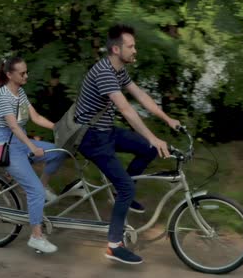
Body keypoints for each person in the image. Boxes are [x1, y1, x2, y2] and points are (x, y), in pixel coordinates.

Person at [74, 24, 180, 265]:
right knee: (128, 187)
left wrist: (168, 119)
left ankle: (120, 189)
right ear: (115, 48)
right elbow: (125, 108)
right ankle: (114, 245)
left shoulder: (118, 69)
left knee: (148, 149)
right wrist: (152, 135)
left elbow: (140, 95)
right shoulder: (104, 72)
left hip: (106, 132)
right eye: (131, 47)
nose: (135, 50)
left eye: (134, 46)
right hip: (90, 138)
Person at [0, 56, 67, 253]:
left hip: (22, 141)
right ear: (9, 74)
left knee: (58, 153)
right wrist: (33, 148)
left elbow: (35, 117)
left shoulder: (21, 93)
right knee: (34, 191)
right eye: (22, 73)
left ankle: (43, 189)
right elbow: (14, 127)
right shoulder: (2, 97)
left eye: (27, 72)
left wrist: (58, 128)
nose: (27, 75)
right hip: (9, 147)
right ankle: (36, 236)